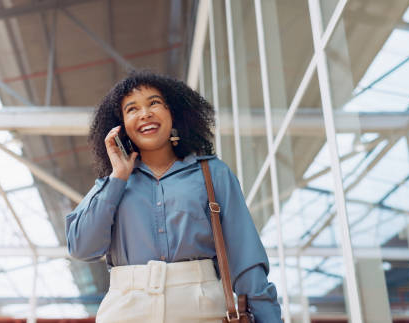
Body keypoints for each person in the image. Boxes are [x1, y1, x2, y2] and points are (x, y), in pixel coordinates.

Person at [66, 71, 281, 322]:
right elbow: (82, 248)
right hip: (126, 310)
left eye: (154, 103)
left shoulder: (213, 173)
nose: (145, 113)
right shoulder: (112, 183)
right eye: (132, 109)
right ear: (121, 126)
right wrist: (118, 178)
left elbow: (245, 257)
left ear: (173, 113)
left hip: (202, 310)